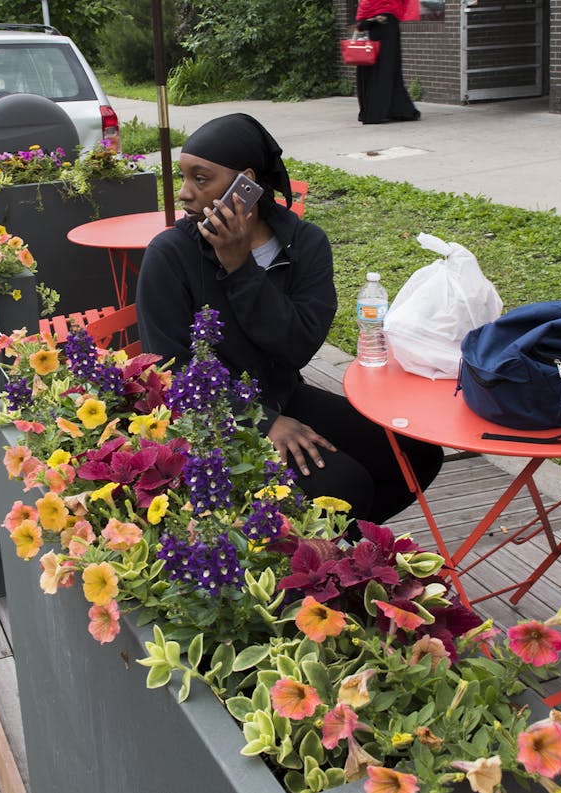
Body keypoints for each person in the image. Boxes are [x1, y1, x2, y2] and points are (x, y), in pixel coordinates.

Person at [136, 113, 444, 526]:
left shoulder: (304, 244)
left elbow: (297, 346)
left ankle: (330, 555)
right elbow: (168, 371)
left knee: (416, 455)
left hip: (283, 392)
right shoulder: (170, 254)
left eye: (201, 178)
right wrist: (262, 422)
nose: (185, 193)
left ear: (244, 182)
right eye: (183, 177)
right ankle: (317, 560)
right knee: (346, 487)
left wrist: (240, 267)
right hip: (211, 421)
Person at [353, 0, 421, 125]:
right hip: (389, 28)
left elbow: (362, 22)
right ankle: (395, 110)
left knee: (378, 71)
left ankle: (376, 112)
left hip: (378, 32)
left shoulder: (368, 4)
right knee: (389, 70)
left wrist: (371, 19)